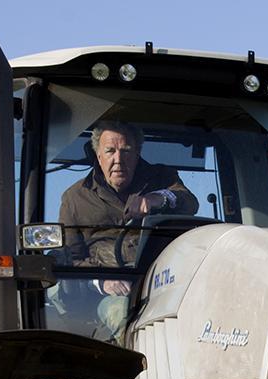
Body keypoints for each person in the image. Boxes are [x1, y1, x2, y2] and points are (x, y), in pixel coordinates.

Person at [53, 119, 199, 337]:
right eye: (110, 151)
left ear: (138, 153)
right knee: (125, 314)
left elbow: (189, 202)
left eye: (126, 151)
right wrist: (102, 282)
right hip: (109, 296)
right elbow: (70, 259)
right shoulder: (75, 199)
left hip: (165, 281)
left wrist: (159, 198)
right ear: (98, 155)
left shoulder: (163, 178)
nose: (118, 159)